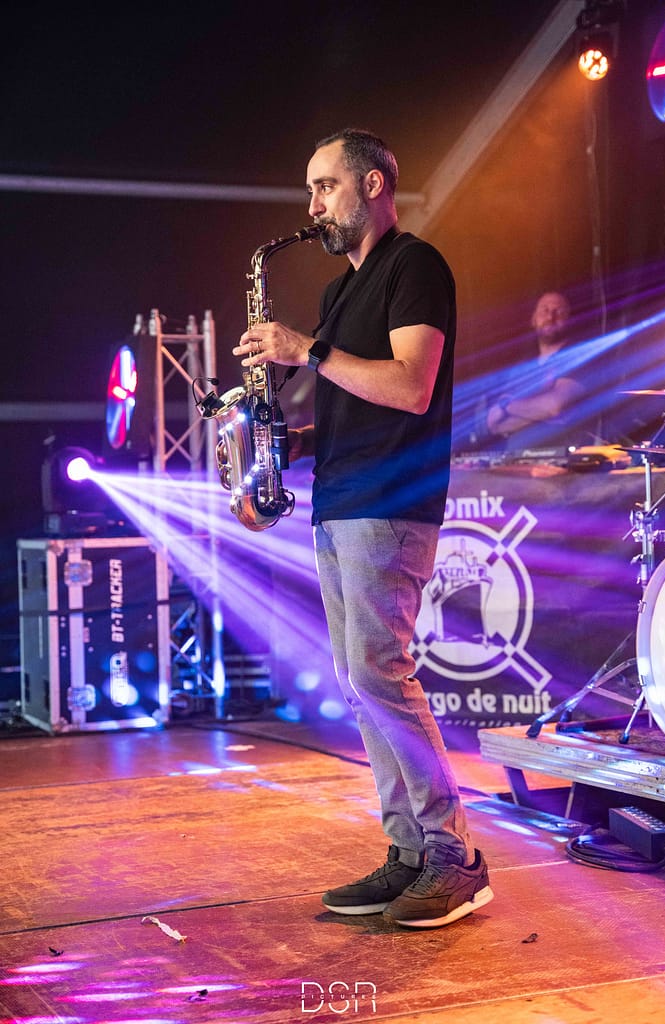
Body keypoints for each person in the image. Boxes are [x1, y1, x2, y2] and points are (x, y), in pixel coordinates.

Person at [232, 129, 492, 929]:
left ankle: (452, 855)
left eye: (324, 186)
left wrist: (306, 350)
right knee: (361, 681)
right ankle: (408, 851)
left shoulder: (415, 266)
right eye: (309, 190)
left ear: (373, 184)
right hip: (340, 500)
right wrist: (289, 446)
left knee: (381, 673)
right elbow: (359, 403)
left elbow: (411, 388)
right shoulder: (340, 291)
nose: (312, 205)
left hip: (388, 503)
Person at [485, 291, 589, 450]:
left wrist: (506, 406)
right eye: (544, 310)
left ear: (569, 320)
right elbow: (494, 423)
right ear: (533, 319)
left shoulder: (578, 356)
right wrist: (540, 414)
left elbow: (555, 406)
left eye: (559, 312)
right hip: (516, 457)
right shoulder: (523, 366)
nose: (550, 317)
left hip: (563, 456)